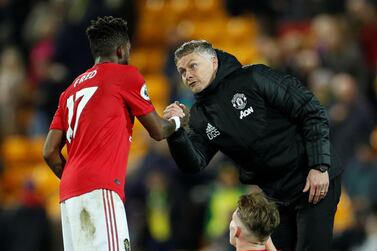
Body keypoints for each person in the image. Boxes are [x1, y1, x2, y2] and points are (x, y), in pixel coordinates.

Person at [163, 40, 343, 251]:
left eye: (193, 65)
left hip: (312, 181)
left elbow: (311, 110)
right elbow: (194, 163)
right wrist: (176, 133)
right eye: (182, 71)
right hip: (275, 196)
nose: (187, 75)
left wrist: (319, 166)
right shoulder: (201, 116)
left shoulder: (254, 77)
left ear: (213, 61)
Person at [42, 16, 187, 251]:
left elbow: (49, 152)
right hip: (101, 188)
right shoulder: (125, 76)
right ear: (121, 49)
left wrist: (76, 179)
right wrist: (179, 120)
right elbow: (159, 131)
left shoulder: (70, 90)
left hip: (68, 195)